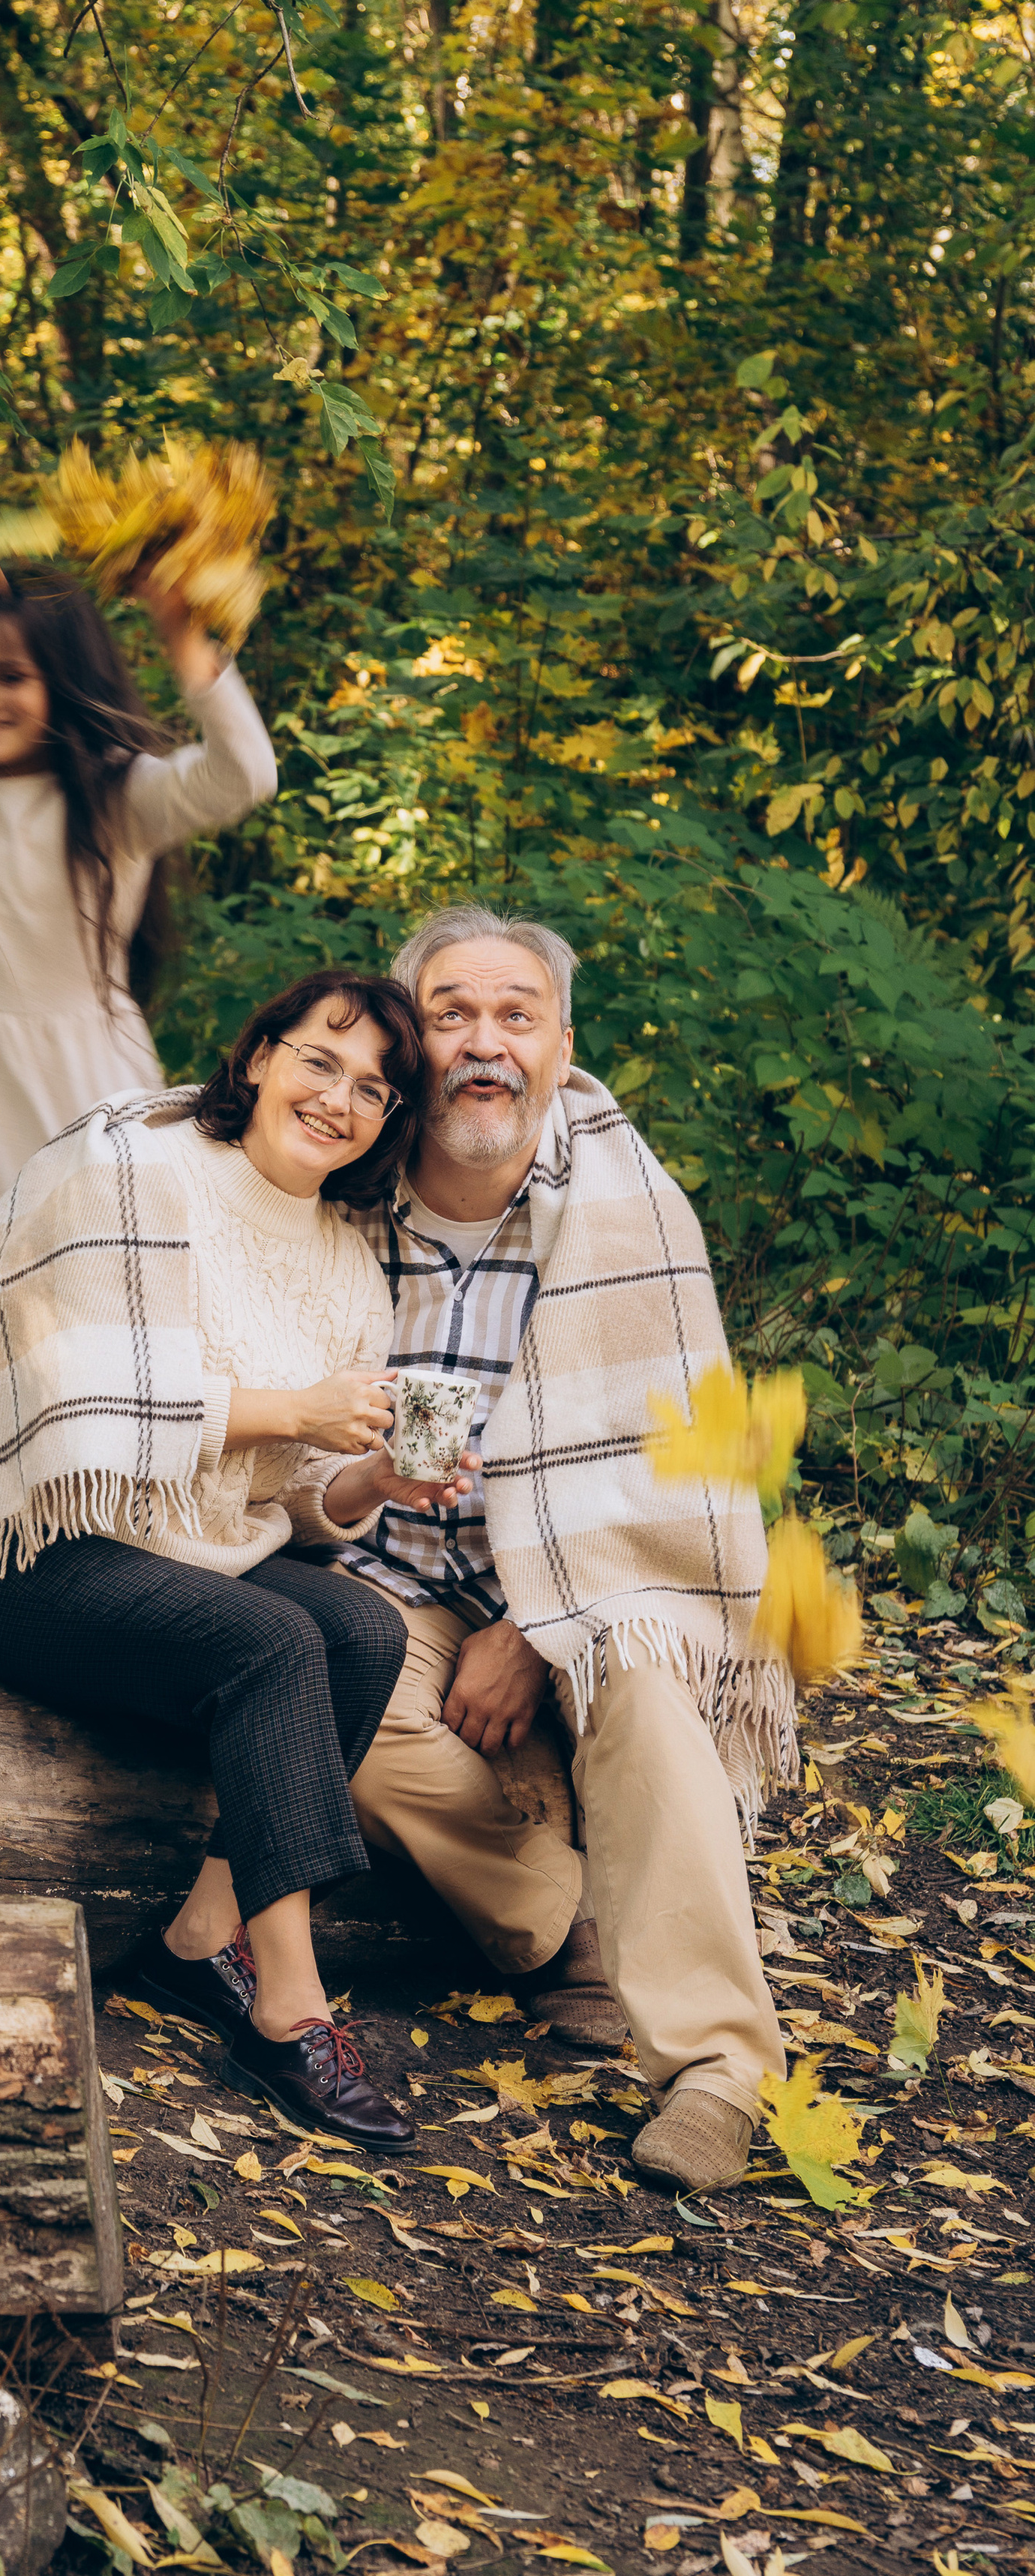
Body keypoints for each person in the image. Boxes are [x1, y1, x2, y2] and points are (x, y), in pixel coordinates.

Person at [0, 970, 478, 2150]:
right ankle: (290, 2006)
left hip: (188, 1552)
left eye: (375, 1091)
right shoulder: (139, 1172)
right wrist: (296, 1403)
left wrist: (376, 1478)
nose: (339, 1099)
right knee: (278, 1641)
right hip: (27, 1547)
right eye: (320, 1061)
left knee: (367, 1632)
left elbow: (296, 1494)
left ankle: (195, 1940)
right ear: (260, 1056)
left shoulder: (346, 1261)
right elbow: (80, 1399)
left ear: (389, 1126)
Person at [302, 904, 792, 2194]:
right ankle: (562, 1919)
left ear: (561, 1045)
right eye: (451, 1013)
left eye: (516, 1016)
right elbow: (285, 1455)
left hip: (578, 1590)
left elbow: (671, 1473)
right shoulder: (338, 1201)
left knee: (643, 1686)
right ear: (410, 1043)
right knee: (335, 1702)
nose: (485, 1044)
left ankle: (717, 2070)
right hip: (394, 1580)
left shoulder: (627, 1210)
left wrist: (539, 1630)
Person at [0, 511, 278, 1460]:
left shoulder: (119, 801)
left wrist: (185, 640)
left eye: (14, 677)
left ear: (60, 683)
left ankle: (48, 1575)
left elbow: (244, 773)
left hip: (94, 1147)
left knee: (76, 1402)